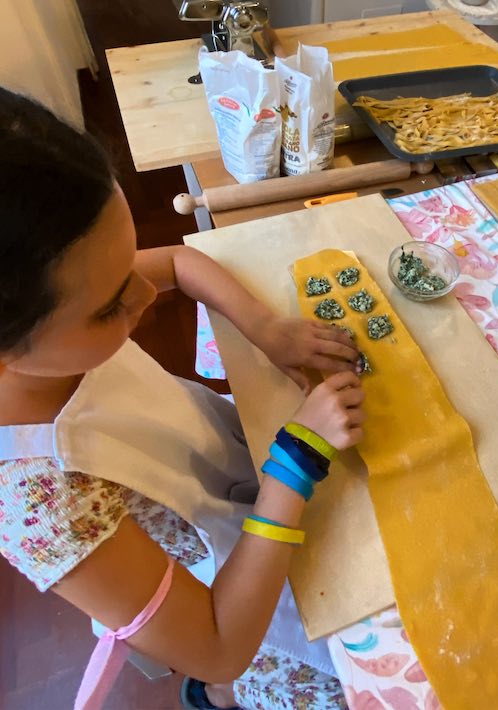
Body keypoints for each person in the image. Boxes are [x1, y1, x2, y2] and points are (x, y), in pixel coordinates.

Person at [0, 87, 365, 710]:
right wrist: (295, 459)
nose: (144, 297)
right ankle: (219, 697)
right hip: (238, 604)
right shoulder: (37, 499)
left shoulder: (57, 288)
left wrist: (266, 329)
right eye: (113, 305)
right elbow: (220, 642)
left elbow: (175, 263)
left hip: (243, 472)